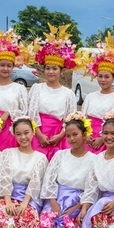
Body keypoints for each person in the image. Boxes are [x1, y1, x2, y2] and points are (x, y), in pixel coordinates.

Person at [32, 112, 96, 228]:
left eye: (75, 134)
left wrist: (76, 207)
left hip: (77, 201)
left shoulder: (93, 159)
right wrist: (53, 203)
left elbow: (92, 188)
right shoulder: (60, 155)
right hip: (56, 198)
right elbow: (50, 179)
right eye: (68, 136)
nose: (72, 139)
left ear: (84, 134)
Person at [0, 117, 48, 228]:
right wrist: (8, 201)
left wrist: (24, 204)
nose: (23, 137)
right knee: (4, 219)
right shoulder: (7, 153)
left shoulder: (40, 158)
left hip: (28, 199)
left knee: (26, 222)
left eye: (26, 133)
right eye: (18, 134)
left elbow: (35, 182)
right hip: (7, 195)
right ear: (14, 135)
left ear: (33, 132)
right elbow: (4, 177)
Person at [29, 25, 79, 161]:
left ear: (61, 71)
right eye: (48, 68)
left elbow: (70, 118)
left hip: (58, 135)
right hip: (37, 133)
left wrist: (61, 135)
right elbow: (32, 113)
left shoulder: (68, 94)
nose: (51, 72)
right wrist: (38, 134)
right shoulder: (37, 89)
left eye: (55, 68)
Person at [79, 45, 114, 151]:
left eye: (107, 77)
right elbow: (82, 119)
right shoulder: (91, 97)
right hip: (89, 140)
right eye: (100, 76)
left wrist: (102, 138)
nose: (103, 80)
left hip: (107, 140)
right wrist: (86, 136)